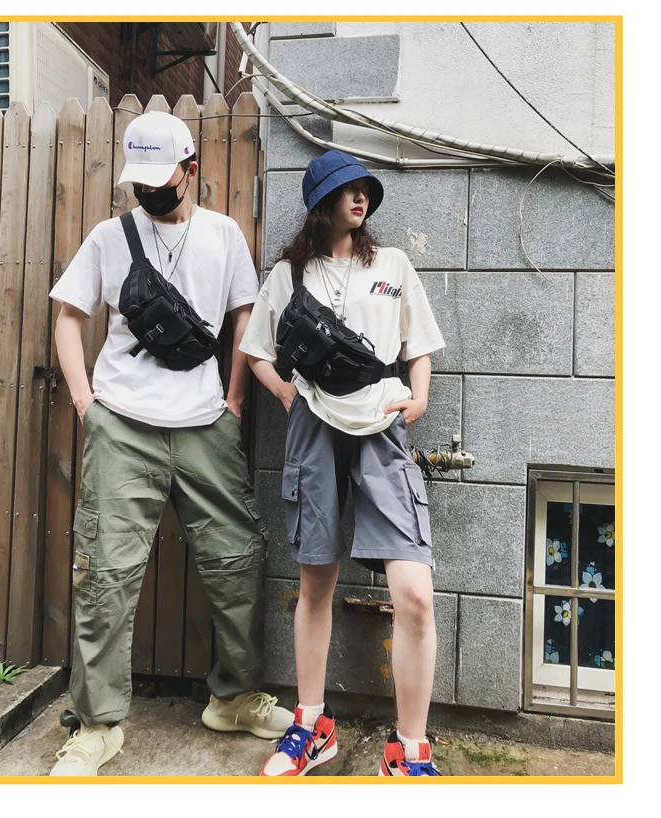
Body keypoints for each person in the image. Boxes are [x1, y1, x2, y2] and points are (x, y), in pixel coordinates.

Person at [47, 110, 293, 776]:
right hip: (122, 424)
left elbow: (245, 317)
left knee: (237, 558)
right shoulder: (109, 237)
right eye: (141, 183)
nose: (150, 192)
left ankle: (234, 699)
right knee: (104, 572)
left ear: (191, 170)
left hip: (205, 422)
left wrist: (234, 399)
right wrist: (86, 403)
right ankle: (97, 726)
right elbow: (68, 318)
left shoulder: (223, 234)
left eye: (162, 180)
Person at [239, 150, 446, 777]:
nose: (360, 199)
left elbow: (420, 344)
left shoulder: (392, 264)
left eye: (364, 190)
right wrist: (286, 394)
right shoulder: (289, 276)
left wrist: (419, 397)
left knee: (415, 595)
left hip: (382, 428)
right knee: (315, 583)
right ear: (319, 203)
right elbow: (256, 350)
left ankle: (409, 751)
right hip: (314, 427)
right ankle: (312, 727)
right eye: (346, 190)